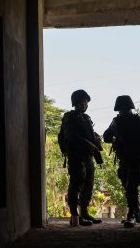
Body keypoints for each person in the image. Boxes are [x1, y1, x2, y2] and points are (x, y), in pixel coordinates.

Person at [58, 89, 103, 226]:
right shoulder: (69, 117)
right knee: (77, 182)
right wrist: (87, 143)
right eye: (82, 102)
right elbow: (71, 137)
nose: (85, 104)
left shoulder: (86, 118)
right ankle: (75, 215)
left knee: (88, 183)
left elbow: (90, 134)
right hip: (76, 155)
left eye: (86, 102)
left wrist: (96, 139)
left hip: (87, 156)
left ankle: (84, 212)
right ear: (75, 103)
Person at [103, 95, 140, 228]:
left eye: (124, 108)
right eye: (121, 108)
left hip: (136, 158)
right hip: (124, 159)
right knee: (128, 186)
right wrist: (116, 141)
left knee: (131, 185)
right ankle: (136, 213)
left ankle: (132, 215)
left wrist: (125, 141)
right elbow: (106, 136)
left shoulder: (139, 121)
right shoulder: (115, 122)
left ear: (129, 108)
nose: (122, 110)